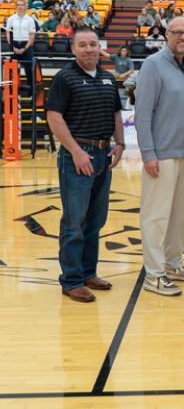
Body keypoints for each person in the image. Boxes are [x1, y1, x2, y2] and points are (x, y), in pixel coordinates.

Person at [46, 26, 124, 303]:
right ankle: (71, 280)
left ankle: (88, 272)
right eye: (83, 45)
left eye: (93, 44)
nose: (89, 49)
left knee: (96, 220)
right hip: (78, 156)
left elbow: (116, 111)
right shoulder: (65, 78)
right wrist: (76, 151)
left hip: (103, 155)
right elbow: (54, 117)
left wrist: (120, 143)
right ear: (73, 49)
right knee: (74, 222)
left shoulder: (107, 77)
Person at [135, 17, 184, 296]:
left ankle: (174, 264)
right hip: (161, 155)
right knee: (156, 216)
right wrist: (148, 153)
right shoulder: (152, 65)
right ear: (166, 34)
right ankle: (154, 273)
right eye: (177, 33)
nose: (182, 37)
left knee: (177, 215)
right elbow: (142, 113)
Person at [6, 0, 36, 97]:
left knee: (30, 71)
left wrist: (25, 48)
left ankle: (31, 94)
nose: (20, 7)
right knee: (11, 71)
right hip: (13, 46)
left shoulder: (30, 19)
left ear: (25, 6)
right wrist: (12, 47)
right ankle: (12, 94)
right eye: (18, 5)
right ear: (16, 6)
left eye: (22, 5)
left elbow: (32, 35)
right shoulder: (11, 19)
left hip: (26, 46)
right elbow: (8, 33)